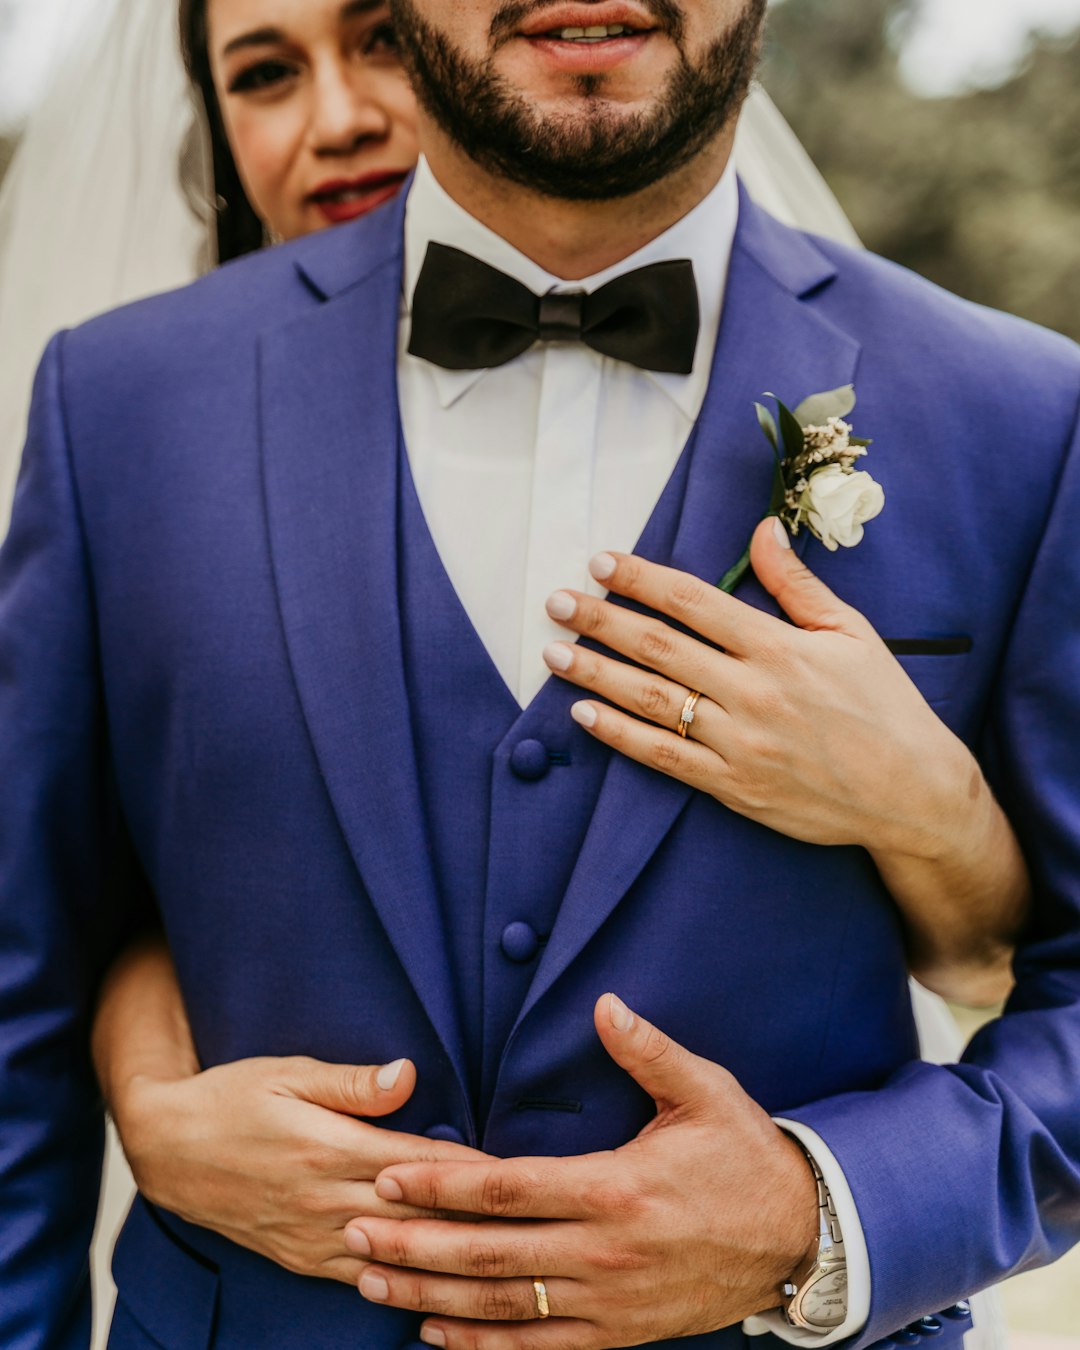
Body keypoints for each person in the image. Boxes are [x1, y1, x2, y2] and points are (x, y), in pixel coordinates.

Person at [1, 1, 1077, 1349]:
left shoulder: (1024, 420)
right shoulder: (117, 410)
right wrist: (144, 1092)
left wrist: (825, 1209)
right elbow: (28, 971)